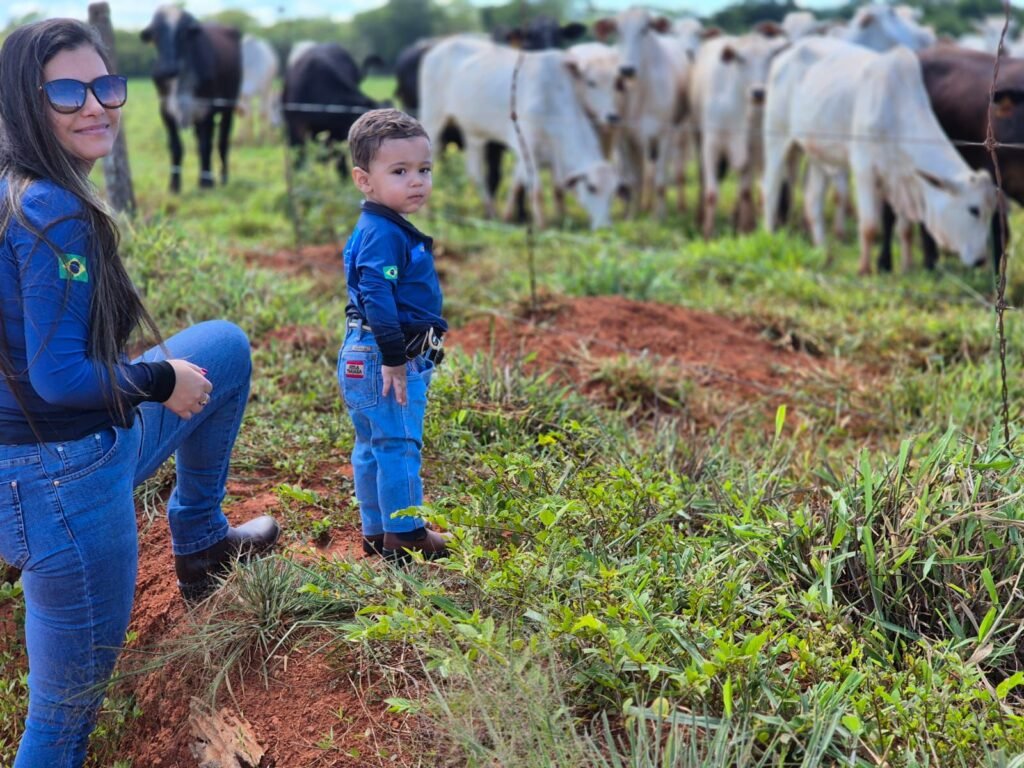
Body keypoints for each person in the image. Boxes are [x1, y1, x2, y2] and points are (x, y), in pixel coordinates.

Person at [0, 19, 279, 767]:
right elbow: (60, 379)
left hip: (51, 462)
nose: (95, 105)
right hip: (62, 484)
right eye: (66, 91)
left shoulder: (14, 191)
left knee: (223, 347)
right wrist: (159, 379)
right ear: (25, 100)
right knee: (61, 724)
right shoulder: (53, 211)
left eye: (106, 85)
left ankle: (201, 540)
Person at [339, 108, 449, 562]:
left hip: (359, 352)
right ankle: (406, 536)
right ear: (364, 180)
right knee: (399, 445)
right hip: (386, 353)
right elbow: (377, 296)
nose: (416, 181)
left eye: (424, 169)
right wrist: (394, 359)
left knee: (371, 445)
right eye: (400, 171)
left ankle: (377, 529)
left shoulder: (380, 227)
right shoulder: (384, 234)